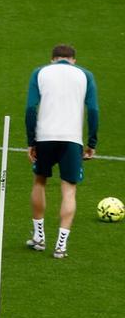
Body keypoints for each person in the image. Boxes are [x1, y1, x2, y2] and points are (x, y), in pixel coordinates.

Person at [25, 45, 99, 259]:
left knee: (40, 181)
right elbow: (93, 110)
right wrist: (92, 142)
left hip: (45, 137)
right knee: (69, 190)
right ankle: (61, 246)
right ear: (73, 60)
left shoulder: (40, 72)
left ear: (53, 59)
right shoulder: (85, 75)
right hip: (72, 140)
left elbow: (30, 109)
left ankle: (39, 237)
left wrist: (31, 141)